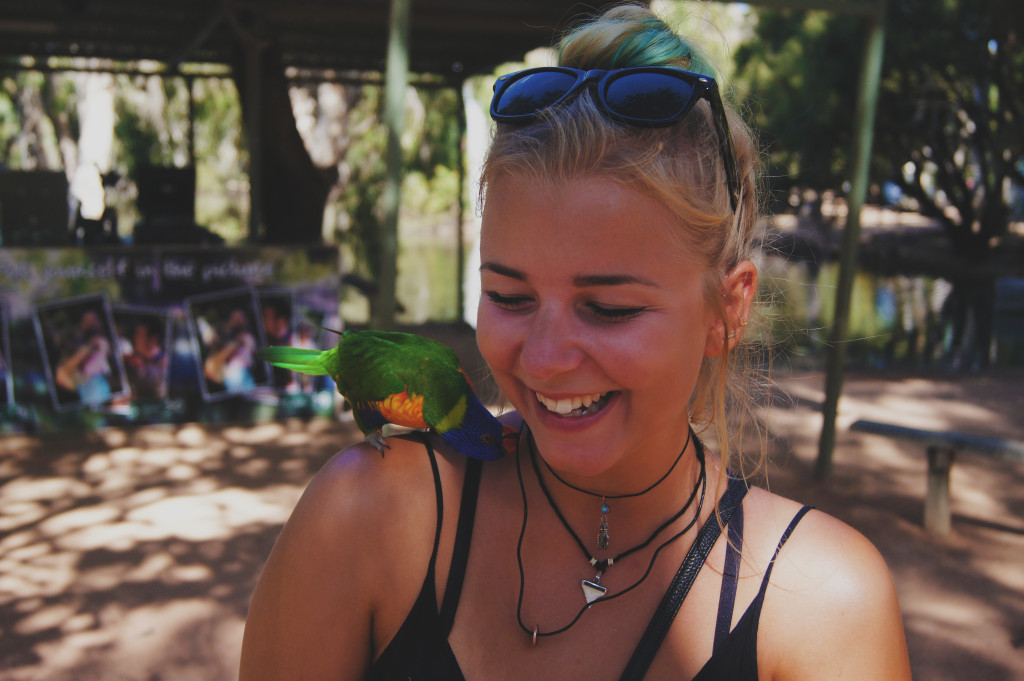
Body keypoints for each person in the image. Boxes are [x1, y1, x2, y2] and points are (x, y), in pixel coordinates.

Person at [239, 5, 912, 680]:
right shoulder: (365, 517)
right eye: (509, 296)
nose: (542, 358)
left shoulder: (825, 608)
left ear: (727, 308)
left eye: (609, 307)